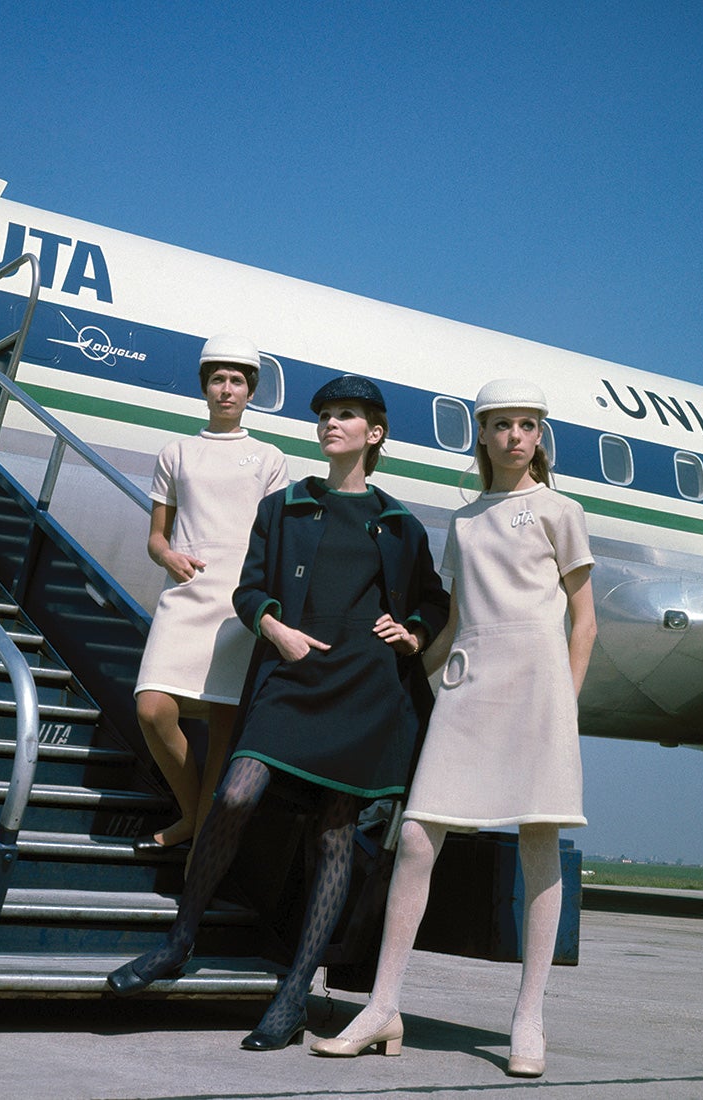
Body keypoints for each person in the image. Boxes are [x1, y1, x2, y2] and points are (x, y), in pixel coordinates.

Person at [109, 375, 449, 1052]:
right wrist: (274, 627)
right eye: (324, 415)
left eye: (345, 416)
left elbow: (434, 600)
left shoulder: (400, 523)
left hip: (362, 688)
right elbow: (249, 588)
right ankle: (180, 940)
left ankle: (295, 992)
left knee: (332, 835)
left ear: (373, 434)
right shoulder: (284, 507)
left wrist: (411, 631)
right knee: (235, 794)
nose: (330, 424)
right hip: (292, 677)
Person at [310, 378, 597, 1079]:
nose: (514, 437)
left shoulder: (561, 511)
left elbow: (584, 619)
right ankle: (383, 1005)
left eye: (527, 424)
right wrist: (411, 648)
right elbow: (458, 619)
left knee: (538, 840)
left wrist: (568, 700)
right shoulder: (464, 520)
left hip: (537, 683)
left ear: (539, 435)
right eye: (501, 425)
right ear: (484, 435)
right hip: (469, 681)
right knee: (415, 836)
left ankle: (528, 1015)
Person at [132, 334, 288, 853]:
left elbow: (274, 539)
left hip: (238, 599)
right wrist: (169, 555)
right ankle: (196, 817)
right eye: (218, 380)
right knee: (153, 708)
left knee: (224, 730)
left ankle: (198, 842)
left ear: (250, 392)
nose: (227, 390)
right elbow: (157, 537)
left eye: (237, 381)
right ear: (204, 388)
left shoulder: (268, 458)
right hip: (187, 591)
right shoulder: (175, 452)